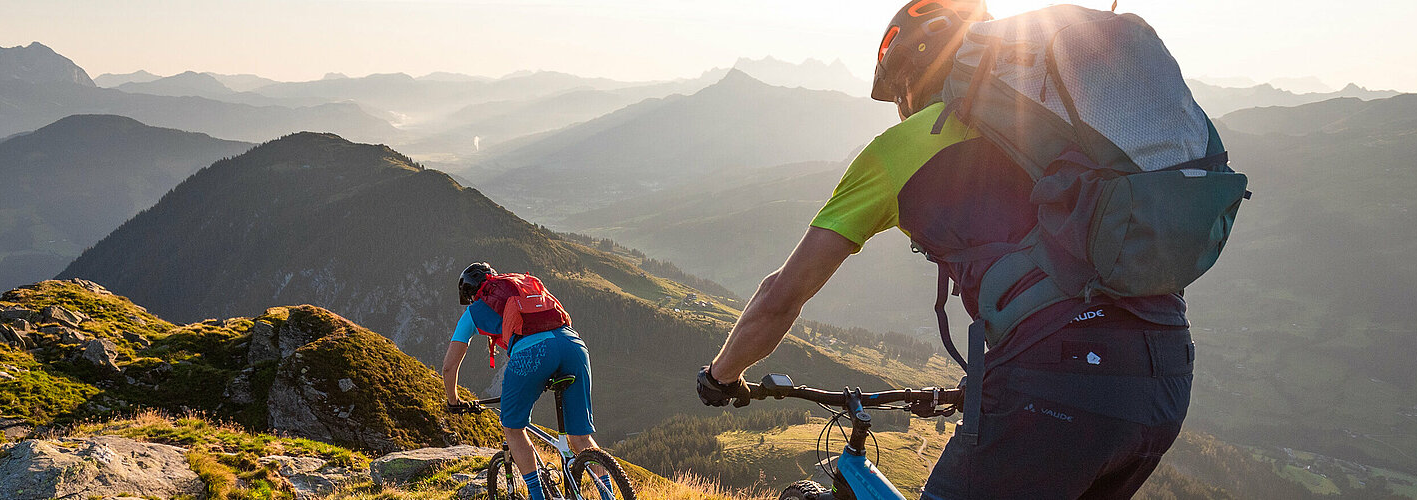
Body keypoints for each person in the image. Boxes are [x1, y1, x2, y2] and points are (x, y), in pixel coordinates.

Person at [696, 1, 1200, 498]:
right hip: (1166, 374)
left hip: (1056, 383)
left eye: (898, 90)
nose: (900, 106)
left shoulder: (900, 150)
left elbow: (782, 295)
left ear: (915, 74)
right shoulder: (1056, 131)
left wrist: (722, 376)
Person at [441, 262, 608, 500]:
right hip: (574, 345)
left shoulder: (475, 311)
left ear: (472, 293)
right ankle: (609, 494)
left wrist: (453, 400)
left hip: (534, 353)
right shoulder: (523, 288)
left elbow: (449, 367)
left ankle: (538, 496)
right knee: (580, 437)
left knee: (513, 428)